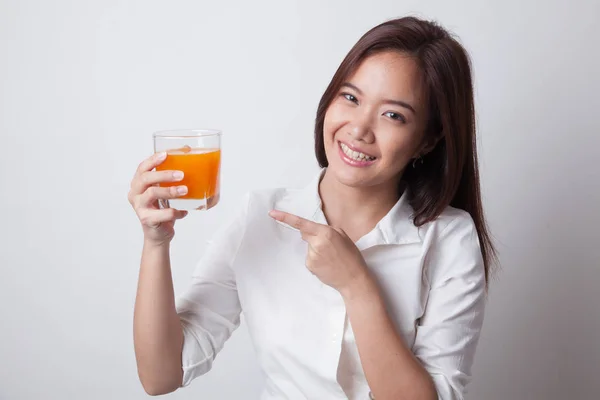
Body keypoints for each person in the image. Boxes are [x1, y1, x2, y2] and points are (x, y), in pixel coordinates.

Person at [128, 16, 496, 400]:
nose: (358, 129)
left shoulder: (449, 238)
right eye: (350, 98)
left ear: (427, 141)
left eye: (393, 115)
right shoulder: (259, 216)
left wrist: (357, 286)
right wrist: (156, 242)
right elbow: (160, 376)